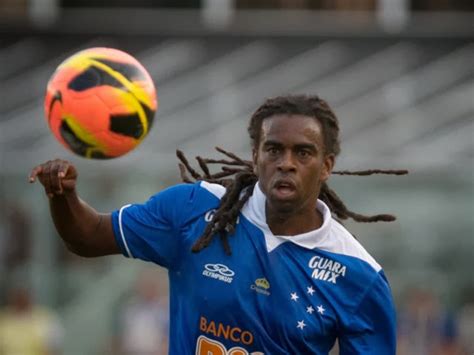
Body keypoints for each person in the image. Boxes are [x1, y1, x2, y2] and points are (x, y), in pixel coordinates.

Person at [30, 95, 405, 354]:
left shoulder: (358, 277)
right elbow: (88, 237)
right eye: (274, 149)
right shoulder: (193, 209)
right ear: (256, 156)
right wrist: (63, 196)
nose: (286, 162)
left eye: (303, 152)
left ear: (326, 166)